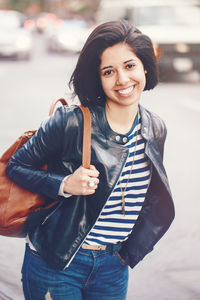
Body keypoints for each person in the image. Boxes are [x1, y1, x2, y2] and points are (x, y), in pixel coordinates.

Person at [6, 20, 175, 300]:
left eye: (130, 66)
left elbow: (150, 199)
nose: (122, 79)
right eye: (109, 71)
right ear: (98, 78)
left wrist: (128, 254)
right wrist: (65, 184)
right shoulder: (70, 121)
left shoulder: (155, 128)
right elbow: (16, 167)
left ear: (145, 66)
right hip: (56, 263)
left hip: (113, 267)